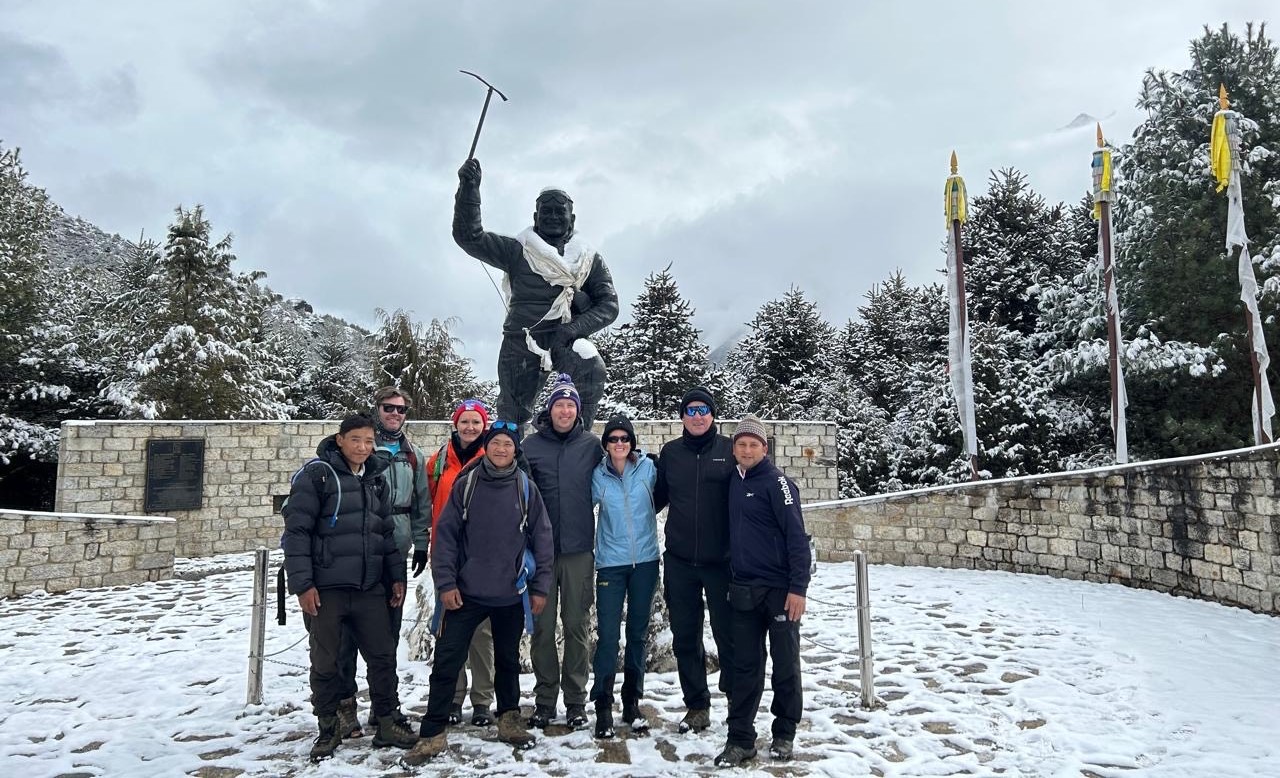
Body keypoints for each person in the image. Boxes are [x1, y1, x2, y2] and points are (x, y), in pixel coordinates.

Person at [404, 421, 554, 764]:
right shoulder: (467, 484)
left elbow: (543, 539)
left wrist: (540, 587)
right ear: (487, 446)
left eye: (508, 444)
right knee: (447, 661)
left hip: (511, 592)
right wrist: (446, 583)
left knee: (507, 662)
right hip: (466, 593)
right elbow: (446, 536)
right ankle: (432, 733)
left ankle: (509, 720)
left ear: (515, 450)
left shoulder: (526, 488)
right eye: (496, 443)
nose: (501, 449)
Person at [281, 414, 418, 762]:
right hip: (327, 589)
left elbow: (385, 534)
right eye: (356, 439)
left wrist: (395, 577)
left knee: (383, 657)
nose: (363, 447)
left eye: (369, 441)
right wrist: (303, 585)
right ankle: (328, 728)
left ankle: (387, 721)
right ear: (340, 439)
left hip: (369, 587)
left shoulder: (374, 479)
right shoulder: (318, 476)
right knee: (326, 663)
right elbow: (296, 533)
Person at [453, 157, 619, 430]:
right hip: (522, 339)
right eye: (546, 211)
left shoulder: (588, 259)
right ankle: (507, 453)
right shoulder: (517, 250)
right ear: (535, 217)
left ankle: (580, 442)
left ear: (571, 219)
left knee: (592, 371)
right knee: (512, 413)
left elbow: (609, 305)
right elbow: (469, 237)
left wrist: (572, 330)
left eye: (559, 211)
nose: (552, 216)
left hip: (566, 337)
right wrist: (469, 189)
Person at [331, 387, 430, 740]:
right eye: (389, 408)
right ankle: (344, 707)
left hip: (394, 551)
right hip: (352, 554)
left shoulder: (412, 454)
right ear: (377, 409)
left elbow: (420, 502)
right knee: (344, 639)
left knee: (386, 636)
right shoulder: (361, 449)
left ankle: (383, 705)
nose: (395, 414)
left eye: (401, 409)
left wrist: (421, 544)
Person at [715, 414, 812, 768]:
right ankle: (740, 739)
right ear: (734, 448)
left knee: (785, 664)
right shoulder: (733, 480)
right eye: (741, 444)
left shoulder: (779, 484)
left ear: (764, 448)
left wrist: (798, 587)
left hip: (780, 591)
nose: (746, 450)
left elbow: (797, 538)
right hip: (744, 588)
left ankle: (784, 732)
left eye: (753, 444)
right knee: (744, 667)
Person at [653, 386, 736, 733]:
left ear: (713, 414)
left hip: (723, 563)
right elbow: (654, 499)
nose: (697, 416)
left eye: (703, 409)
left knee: (730, 636)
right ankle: (697, 705)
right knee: (685, 638)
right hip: (681, 561)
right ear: (682, 417)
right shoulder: (671, 453)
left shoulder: (731, 450)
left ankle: (737, 705)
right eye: (691, 410)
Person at [522, 374, 599, 729]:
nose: (565, 411)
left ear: (578, 410)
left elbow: (616, 470)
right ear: (549, 410)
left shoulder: (591, 446)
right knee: (541, 627)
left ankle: (576, 700)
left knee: (576, 626)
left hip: (579, 550)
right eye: (559, 405)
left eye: (570, 405)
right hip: (541, 553)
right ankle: (544, 699)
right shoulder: (531, 446)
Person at [425, 398, 495, 727]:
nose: (470, 427)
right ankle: (453, 697)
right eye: (464, 421)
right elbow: (426, 501)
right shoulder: (439, 461)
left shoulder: (492, 457)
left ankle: (482, 700)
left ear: (484, 426)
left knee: (481, 634)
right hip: (447, 553)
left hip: (481, 556)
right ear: (456, 424)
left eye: (476, 422)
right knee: (448, 630)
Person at [589, 415, 660, 739]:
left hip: (645, 560)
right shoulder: (597, 475)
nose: (619, 444)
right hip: (611, 564)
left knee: (637, 633)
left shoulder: (648, 469)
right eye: (613, 439)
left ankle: (632, 701)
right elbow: (579, 506)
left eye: (624, 438)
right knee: (607, 635)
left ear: (632, 443)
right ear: (605, 444)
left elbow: (672, 492)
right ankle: (603, 705)